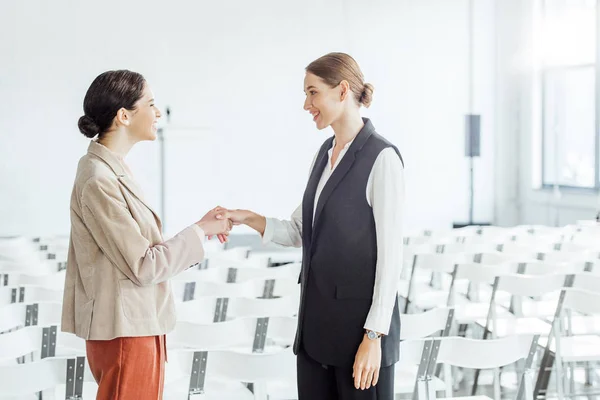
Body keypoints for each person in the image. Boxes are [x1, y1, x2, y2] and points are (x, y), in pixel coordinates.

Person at [220, 52, 405, 400]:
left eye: (312, 92)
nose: (306, 104)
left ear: (342, 90)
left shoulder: (383, 158)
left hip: (359, 338)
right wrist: (244, 217)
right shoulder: (324, 153)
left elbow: (391, 257)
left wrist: (374, 337)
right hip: (316, 335)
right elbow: (298, 231)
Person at [61, 70, 232, 400]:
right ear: (124, 116)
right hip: (125, 332)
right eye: (150, 104)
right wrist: (200, 231)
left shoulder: (111, 169)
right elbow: (144, 265)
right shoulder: (100, 180)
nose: (157, 113)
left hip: (135, 326)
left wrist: (202, 228)